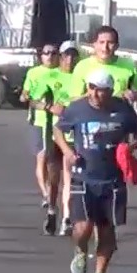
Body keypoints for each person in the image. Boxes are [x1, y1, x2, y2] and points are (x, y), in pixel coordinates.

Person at [53, 68, 137, 273]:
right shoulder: (77, 108)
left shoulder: (122, 109)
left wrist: (130, 147)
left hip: (112, 179)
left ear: (110, 91)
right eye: (92, 88)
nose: (95, 94)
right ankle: (80, 250)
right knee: (83, 227)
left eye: (101, 90)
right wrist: (67, 151)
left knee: (106, 230)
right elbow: (58, 130)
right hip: (83, 176)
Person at [20, 45, 60, 208]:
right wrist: (25, 96)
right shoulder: (33, 73)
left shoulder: (62, 73)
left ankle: (53, 190)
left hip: (58, 122)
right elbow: (25, 94)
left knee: (55, 161)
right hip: (39, 121)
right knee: (42, 157)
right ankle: (45, 193)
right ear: (41, 56)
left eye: (53, 53)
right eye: (46, 53)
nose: (50, 56)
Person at [68, 25, 137, 103]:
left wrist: (134, 95)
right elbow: (73, 100)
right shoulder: (82, 66)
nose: (105, 48)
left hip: (119, 111)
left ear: (117, 46)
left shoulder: (129, 65)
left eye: (110, 43)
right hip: (91, 113)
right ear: (94, 44)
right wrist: (90, 95)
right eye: (101, 42)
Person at [56, 40, 80, 236]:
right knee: (67, 177)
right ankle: (65, 217)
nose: (70, 59)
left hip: (83, 130)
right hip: (62, 129)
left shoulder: (82, 75)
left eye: (73, 55)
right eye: (66, 55)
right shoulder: (53, 75)